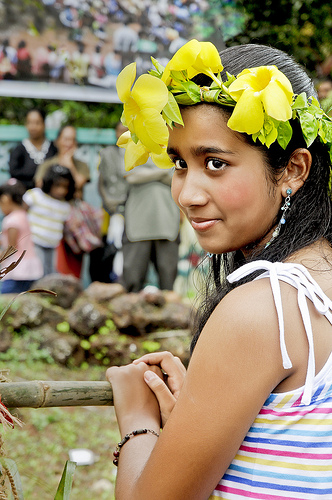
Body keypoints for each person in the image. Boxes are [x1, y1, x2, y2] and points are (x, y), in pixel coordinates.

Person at [106, 39, 332, 499]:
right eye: (178, 163)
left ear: (293, 169)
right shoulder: (316, 284)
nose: (187, 193)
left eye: (215, 163)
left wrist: (138, 419)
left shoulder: (261, 310)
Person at [23, 165, 75, 276]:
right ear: (48, 182)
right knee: (38, 272)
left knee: (50, 272)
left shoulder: (64, 205)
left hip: (52, 244)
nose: (61, 190)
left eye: (65, 187)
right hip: (34, 241)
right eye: (57, 186)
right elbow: (22, 213)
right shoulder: (35, 195)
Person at [0, 179, 43, 293]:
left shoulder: (11, 220)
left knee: (6, 300)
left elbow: (11, 248)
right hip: (31, 268)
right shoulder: (24, 215)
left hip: (17, 270)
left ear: (5, 199)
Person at [9, 109, 57, 190]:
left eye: (37, 123)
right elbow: (14, 172)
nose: (33, 127)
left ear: (44, 124)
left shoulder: (53, 148)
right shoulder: (19, 149)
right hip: (23, 193)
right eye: (30, 123)